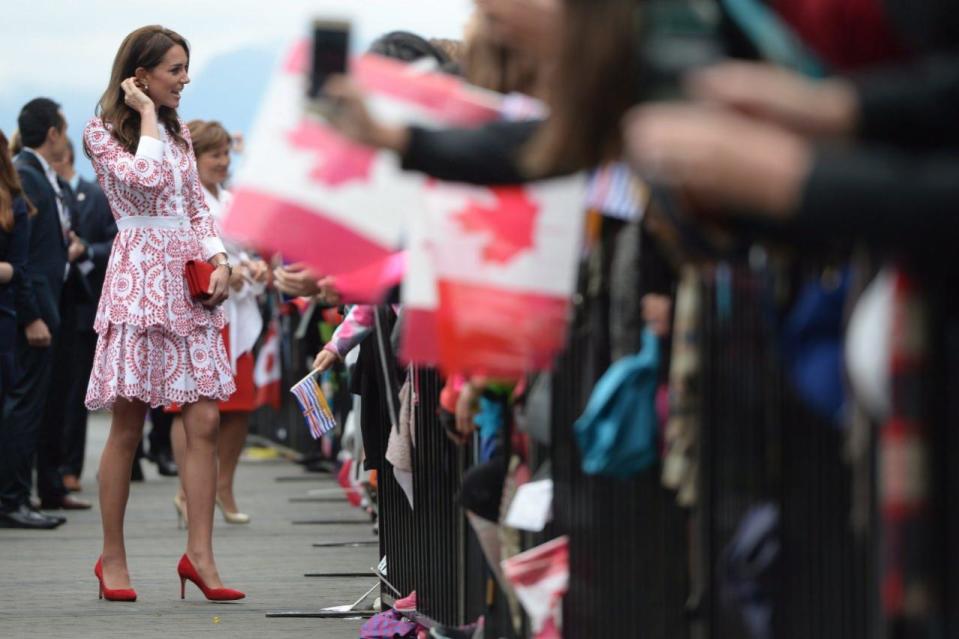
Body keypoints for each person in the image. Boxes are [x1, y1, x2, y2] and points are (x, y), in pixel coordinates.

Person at [83, 25, 242, 602]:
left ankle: (199, 556)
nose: (185, 80)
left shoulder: (179, 134)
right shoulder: (101, 132)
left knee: (204, 419)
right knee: (128, 423)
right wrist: (146, 116)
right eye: (175, 69)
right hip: (136, 277)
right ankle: (112, 558)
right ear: (140, 74)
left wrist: (220, 259)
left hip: (188, 281)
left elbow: (197, 207)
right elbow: (146, 186)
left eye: (185, 69)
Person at [170, 120, 268, 528]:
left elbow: (252, 244)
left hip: (239, 311)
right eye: (215, 154)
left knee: (240, 405)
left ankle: (223, 485)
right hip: (203, 309)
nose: (224, 162)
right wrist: (230, 271)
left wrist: (255, 267)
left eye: (227, 154)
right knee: (191, 405)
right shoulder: (182, 201)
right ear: (193, 159)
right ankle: (188, 489)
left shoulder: (229, 199)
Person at [0, 98, 88, 530]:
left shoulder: (39, 175)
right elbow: (26, 258)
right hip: (30, 310)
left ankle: (45, 487)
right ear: (53, 132)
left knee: (46, 403)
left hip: (56, 303)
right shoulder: (28, 176)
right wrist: (32, 314)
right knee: (25, 406)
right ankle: (13, 498)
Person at [52, 138, 117, 494]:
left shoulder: (95, 195)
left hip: (85, 302)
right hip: (51, 303)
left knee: (77, 388)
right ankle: (45, 466)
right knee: (52, 391)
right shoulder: (46, 192)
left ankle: (70, 467)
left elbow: (116, 240)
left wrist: (86, 250)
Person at [0, 129, 38, 528]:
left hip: (4, 318)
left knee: (9, 409)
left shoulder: (13, 203)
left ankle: (11, 498)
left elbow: (18, 267)